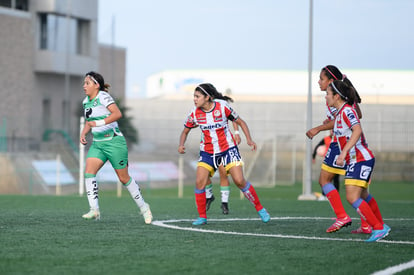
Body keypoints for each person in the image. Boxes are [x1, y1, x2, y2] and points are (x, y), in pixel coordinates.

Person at [178, 83, 270, 225]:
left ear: (207, 97)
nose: (194, 99)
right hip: (208, 152)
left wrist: (249, 140)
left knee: (239, 181)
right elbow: (185, 131)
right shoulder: (194, 113)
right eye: (194, 97)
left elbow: (241, 122)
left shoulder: (222, 106)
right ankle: (202, 217)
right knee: (199, 182)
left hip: (228, 149)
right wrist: (181, 144)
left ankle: (260, 209)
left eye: (197, 96)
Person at [79, 71, 153, 224]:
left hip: (114, 142)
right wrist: (84, 133)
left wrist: (98, 124)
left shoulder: (103, 97)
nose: (84, 85)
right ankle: (95, 210)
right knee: (88, 173)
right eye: (84, 83)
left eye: (87, 83)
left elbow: (117, 114)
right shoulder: (86, 101)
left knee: (123, 178)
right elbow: (89, 121)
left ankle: (144, 207)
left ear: (96, 85)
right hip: (98, 144)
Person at [306, 65, 370, 234]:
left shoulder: (337, 99)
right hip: (349, 143)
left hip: (342, 144)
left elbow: (349, 116)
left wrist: (319, 128)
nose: (318, 81)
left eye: (322, 78)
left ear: (331, 81)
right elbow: (356, 114)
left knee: (324, 180)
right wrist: (329, 120)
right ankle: (368, 225)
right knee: (360, 190)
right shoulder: (337, 97)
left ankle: (343, 216)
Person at [326, 80, 390, 242]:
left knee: (352, 197)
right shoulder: (340, 113)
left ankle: (378, 228)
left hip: (360, 158)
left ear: (337, 96)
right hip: (355, 159)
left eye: (328, 94)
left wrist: (344, 153)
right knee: (363, 195)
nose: (325, 97)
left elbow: (357, 130)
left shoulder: (347, 111)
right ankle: (381, 225)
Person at [205, 122, 241, 215]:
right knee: (204, 174)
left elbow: (234, 118)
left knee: (223, 174)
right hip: (207, 147)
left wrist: (236, 132)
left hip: (222, 147)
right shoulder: (199, 111)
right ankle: (209, 196)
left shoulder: (222, 108)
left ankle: (224, 203)